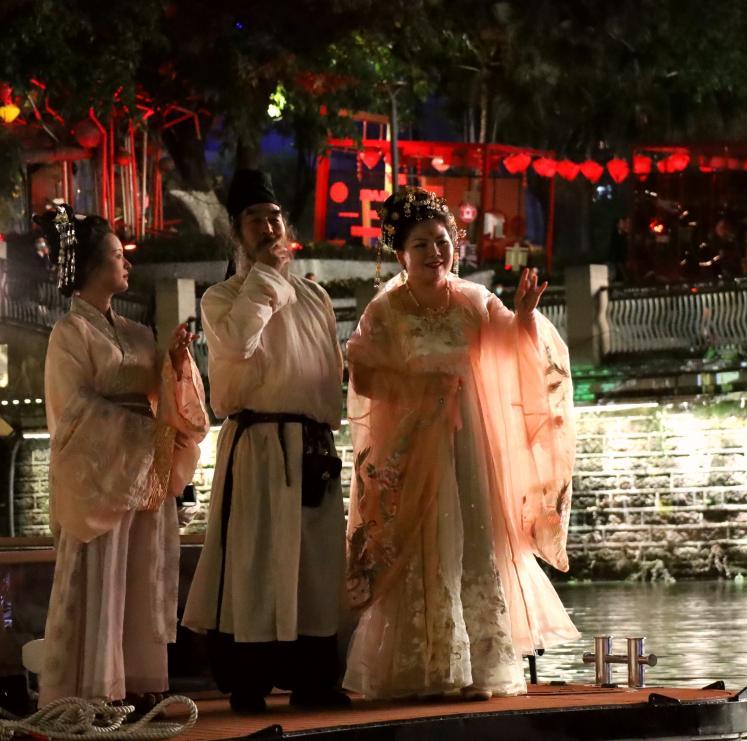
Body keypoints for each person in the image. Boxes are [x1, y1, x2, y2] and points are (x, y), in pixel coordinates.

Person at [344, 187, 579, 701]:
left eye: (442, 241)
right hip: (414, 444)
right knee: (422, 543)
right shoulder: (385, 311)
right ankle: (423, 667)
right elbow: (364, 377)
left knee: (474, 539)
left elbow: (514, 348)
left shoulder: (475, 301)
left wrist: (524, 317)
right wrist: (421, 387)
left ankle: (477, 669)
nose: (435, 252)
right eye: (421, 244)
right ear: (401, 255)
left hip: (470, 441)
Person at [182, 170, 348, 713]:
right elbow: (236, 342)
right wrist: (268, 279)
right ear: (237, 233)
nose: (268, 227)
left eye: (274, 218)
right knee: (253, 563)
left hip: (311, 447)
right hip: (256, 445)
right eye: (255, 220)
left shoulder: (315, 297)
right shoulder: (222, 298)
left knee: (313, 567)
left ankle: (313, 679)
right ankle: (247, 681)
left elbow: (330, 372)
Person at [36, 203, 208, 707]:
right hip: (101, 473)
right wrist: (141, 436)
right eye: (117, 255)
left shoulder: (137, 332)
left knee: (140, 571)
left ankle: (138, 683)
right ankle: (96, 688)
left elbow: (164, 396)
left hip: (140, 468)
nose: (127, 264)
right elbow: (73, 411)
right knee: (103, 574)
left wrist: (176, 362)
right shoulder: (70, 334)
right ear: (91, 266)